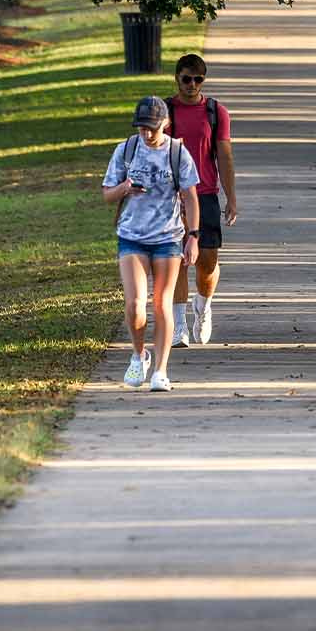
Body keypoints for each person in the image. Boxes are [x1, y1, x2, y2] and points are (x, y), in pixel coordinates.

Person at [102, 96, 202, 391]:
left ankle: (160, 371)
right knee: (135, 306)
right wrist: (124, 188)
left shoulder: (177, 152)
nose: (146, 134)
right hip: (131, 236)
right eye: (142, 128)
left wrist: (193, 237)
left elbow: (191, 198)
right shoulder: (126, 150)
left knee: (162, 304)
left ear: (165, 124)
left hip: (168, 237)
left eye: (152, 128)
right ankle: (139, 355)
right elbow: (107, 195)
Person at [166, 53, 237, 345]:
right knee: (178, 259)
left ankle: (203, 306)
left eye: (198, 79)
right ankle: (179, 324)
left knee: (207, 261)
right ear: (177, 79)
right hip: (172, 196)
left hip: (206, 193)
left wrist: (231, 197)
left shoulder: (215, 111)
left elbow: (224, 154)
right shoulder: (166, 110)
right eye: (186, 79)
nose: (192, 84)